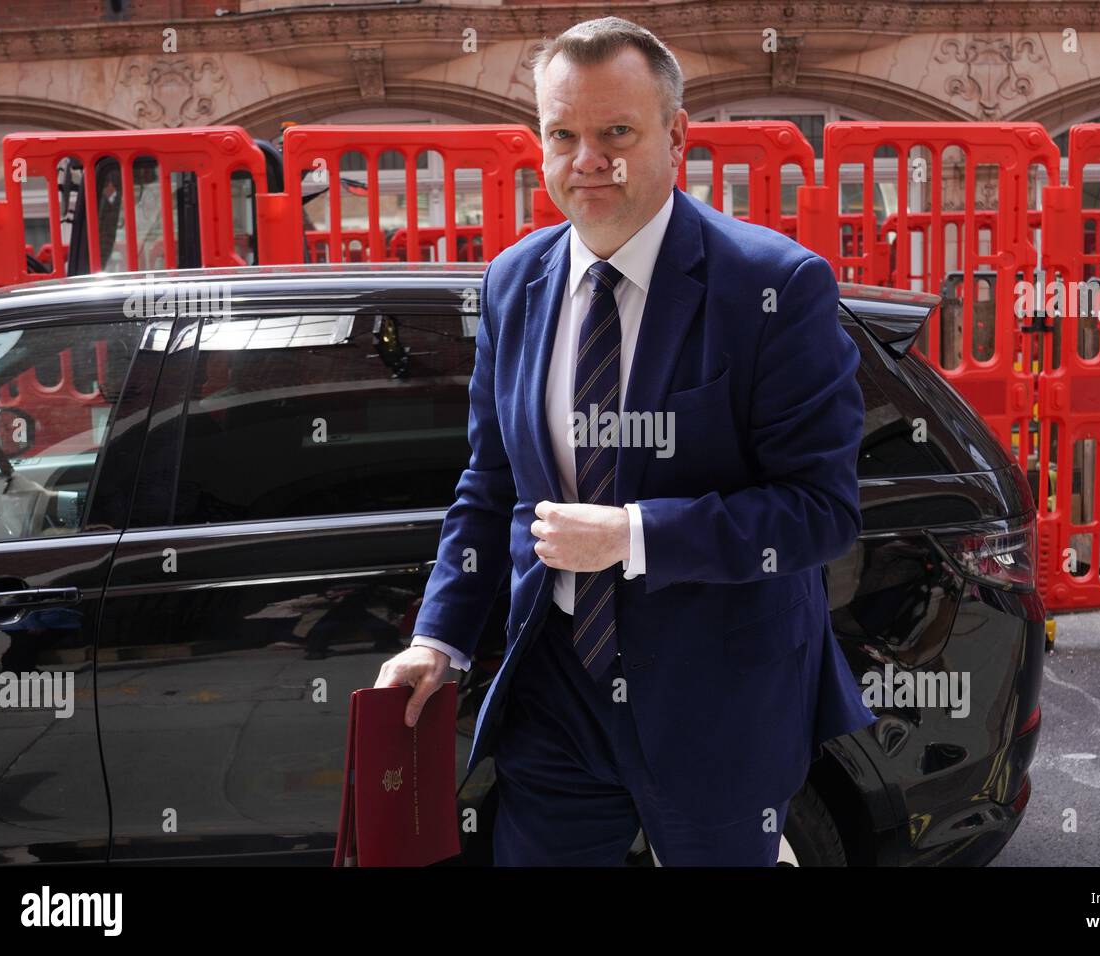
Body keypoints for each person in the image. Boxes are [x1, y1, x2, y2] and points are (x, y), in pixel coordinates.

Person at [375, 15, 876, 866]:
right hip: (556, 687)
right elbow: (490, 486)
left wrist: (633, 536)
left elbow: (820, 512)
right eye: (562, 135)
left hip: (719, 696)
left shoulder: (773, 286)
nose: (587, 159)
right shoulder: (513, 282)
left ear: (676, 137)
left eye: (616, 133)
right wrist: (438, 639)